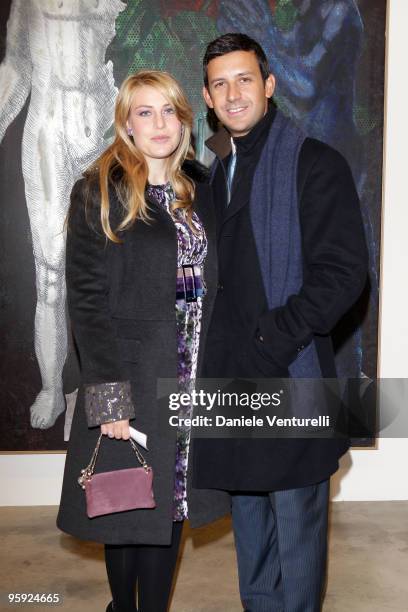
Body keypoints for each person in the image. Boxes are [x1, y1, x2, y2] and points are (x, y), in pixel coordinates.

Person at [192, 33, 368, 611]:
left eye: (244, 78)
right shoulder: (213, 177)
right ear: (209, 98)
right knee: (251, 529)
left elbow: (343, 274)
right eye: (220, 83)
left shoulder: (315, 163)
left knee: (296, 529)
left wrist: (274, 337)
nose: (233, 92)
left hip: (289, 373)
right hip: (229, 383)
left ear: (268, 86)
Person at [56, 70, 229, 612]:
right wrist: (110, 397)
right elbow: (86, 300)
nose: (160, 123)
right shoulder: (100, 189)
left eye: (170, 111)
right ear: (126, 124)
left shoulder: (199, 187)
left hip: (193, 370)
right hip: (133, 373)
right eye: (145, 112)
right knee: (129, 505)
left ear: (184, 120)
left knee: (172, 505)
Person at [0, 0, 126, 429]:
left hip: (105, 130)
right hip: (49, 133)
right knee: (51, 275)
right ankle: (53, 387)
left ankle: (106, 394)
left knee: (115, 272)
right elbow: (15, 67)